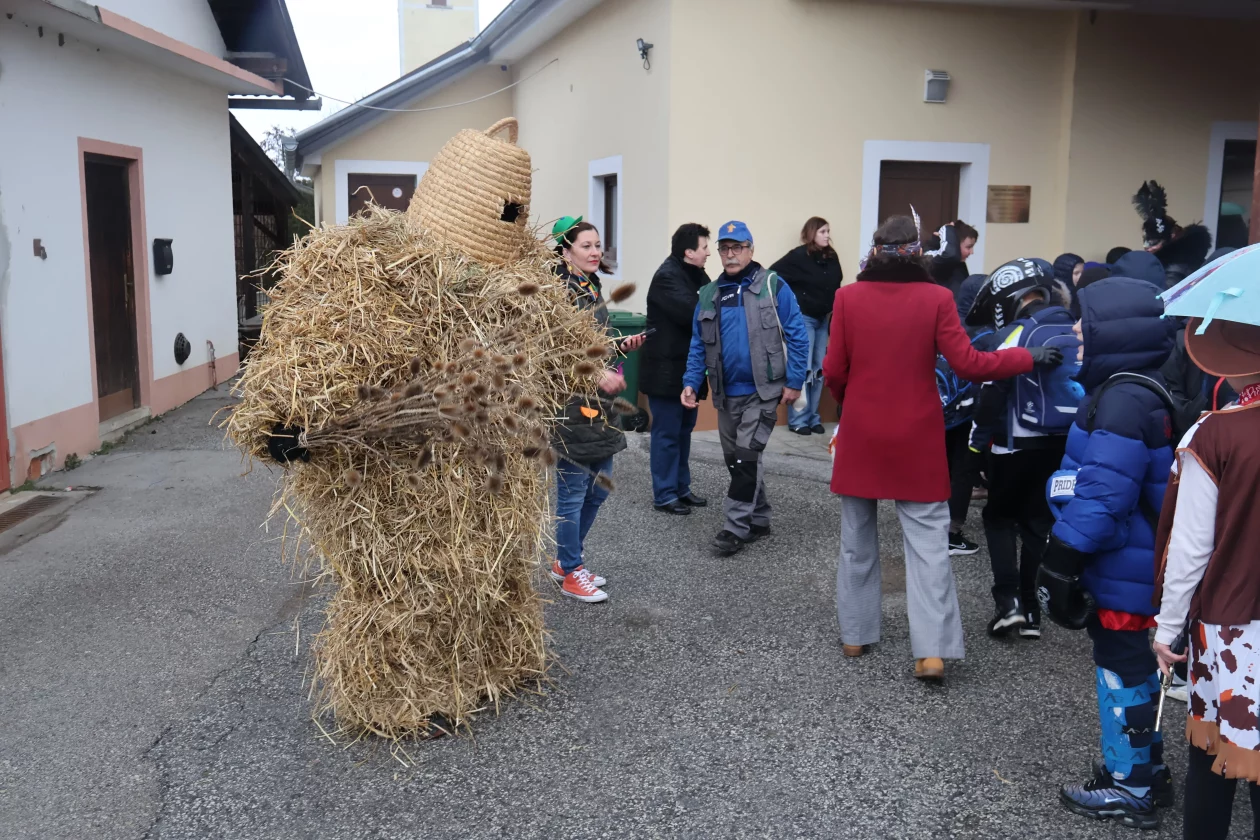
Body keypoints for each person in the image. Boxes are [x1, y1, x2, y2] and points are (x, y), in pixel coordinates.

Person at [825, 216, 1057, 682]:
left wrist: (855, 402)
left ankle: (855, 633)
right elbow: (969, 364)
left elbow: (834, 371)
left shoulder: (847, 297)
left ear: (874, 252)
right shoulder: (936, 298)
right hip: (917, 434)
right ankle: (930, 652)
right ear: (919, 253)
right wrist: (1025, 357)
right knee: (929, 544)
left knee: (856, 540)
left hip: (862, 431)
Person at [1035, 277, 1178, 829]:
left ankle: (1131, 785)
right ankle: (1145, 769)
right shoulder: (1137, 388)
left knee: (1122, 666)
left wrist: (1062, 557)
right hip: (1131, 556)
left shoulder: (1121, 399)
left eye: (1084, 321)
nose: (1075, 331)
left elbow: (1104, 494)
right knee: (1130, 662)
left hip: (1121, 561)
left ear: (1114, 331)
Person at [1152, 313, 1260, 840]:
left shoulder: (1215, 432)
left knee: (1214, 761)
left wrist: (1168, 626)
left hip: (1233, 626)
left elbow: (1191, 547)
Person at [682, 220, 809, 557]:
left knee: (746, 456)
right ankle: (760, 517)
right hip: (726, 394)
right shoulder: (709, 294)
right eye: (724, 248)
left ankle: (734, 528)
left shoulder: (772, 284)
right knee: (736, 460)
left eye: (737, 247)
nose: (730, 254)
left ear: (750, 250)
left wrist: (795, 381)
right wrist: (691, 382)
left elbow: (797, 334)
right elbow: (698, 344)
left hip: (763, 392)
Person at [964, 259, 1076, 639]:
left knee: (998, 519)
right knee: (1038, 525)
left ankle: (1007, 603)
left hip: (1013, 445)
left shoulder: (1013, 334)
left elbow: (991, 393)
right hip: (1061, 445)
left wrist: (976, 448)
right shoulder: (1075, 328)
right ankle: (1032, 612)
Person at [549, 218, 644, 603]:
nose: (594, 252)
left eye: (597, 245)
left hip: (600, 406)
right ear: (565, 250)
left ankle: (565, 561)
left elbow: (591, 345)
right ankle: (572, 571)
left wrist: (619, 347)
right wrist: (595, 372)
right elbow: (552, 354)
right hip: (573, 406)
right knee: (573, 493)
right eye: (586, 245)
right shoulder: (556, 293)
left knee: (599, 488)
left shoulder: (590, 285)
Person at [641, 223, 712, 516]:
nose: (709, 253)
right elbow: (697, 312)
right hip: (666, 371)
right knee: (667, 434)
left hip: (687, 371)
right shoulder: (667, 278)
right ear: (689, 252)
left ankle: (681, 488)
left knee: (683, 432)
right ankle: (665, 494)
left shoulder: (697, 274)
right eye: (704, 247)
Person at [770, 217, 843, 434]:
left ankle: (813, 417)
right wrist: (791, 301)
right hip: (804, 318)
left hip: (823, 319)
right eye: (822, 231)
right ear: (811, 233)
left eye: (828, 231)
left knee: (819, 369)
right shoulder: (798, 256)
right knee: (803, 366)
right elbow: (773, 275)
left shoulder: (831, 256)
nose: (827, 235)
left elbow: (836, 281)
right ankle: (798, 419)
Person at [1132, 180, 1212, 287]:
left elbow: (1164, 295)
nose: (1146, 246)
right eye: (1145, 240)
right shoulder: (1169, 262)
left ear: (1172, 236)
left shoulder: (1176, 269)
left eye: (1153, 242)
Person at [927, 219, 978, 295]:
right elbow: (950, 254)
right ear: (955, 244)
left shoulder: (960, 266)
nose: (971, 252)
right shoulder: (935, 261)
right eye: (968, 247)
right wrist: (948, 229)